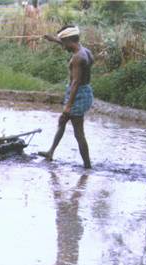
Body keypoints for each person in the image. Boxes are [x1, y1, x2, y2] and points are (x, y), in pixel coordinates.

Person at [38, 25, 94, 169]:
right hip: (84, 91)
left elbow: (75, 83)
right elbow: (68, 44)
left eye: (63, 43)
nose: (63, 47)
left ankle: (87, 166)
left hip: (77, 95)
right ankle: (50, 152)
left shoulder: (77, 58)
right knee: (62, 121)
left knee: (78, 133)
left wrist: (68, 106)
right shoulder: (85, 51)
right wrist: (54, 40)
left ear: (70, 41)